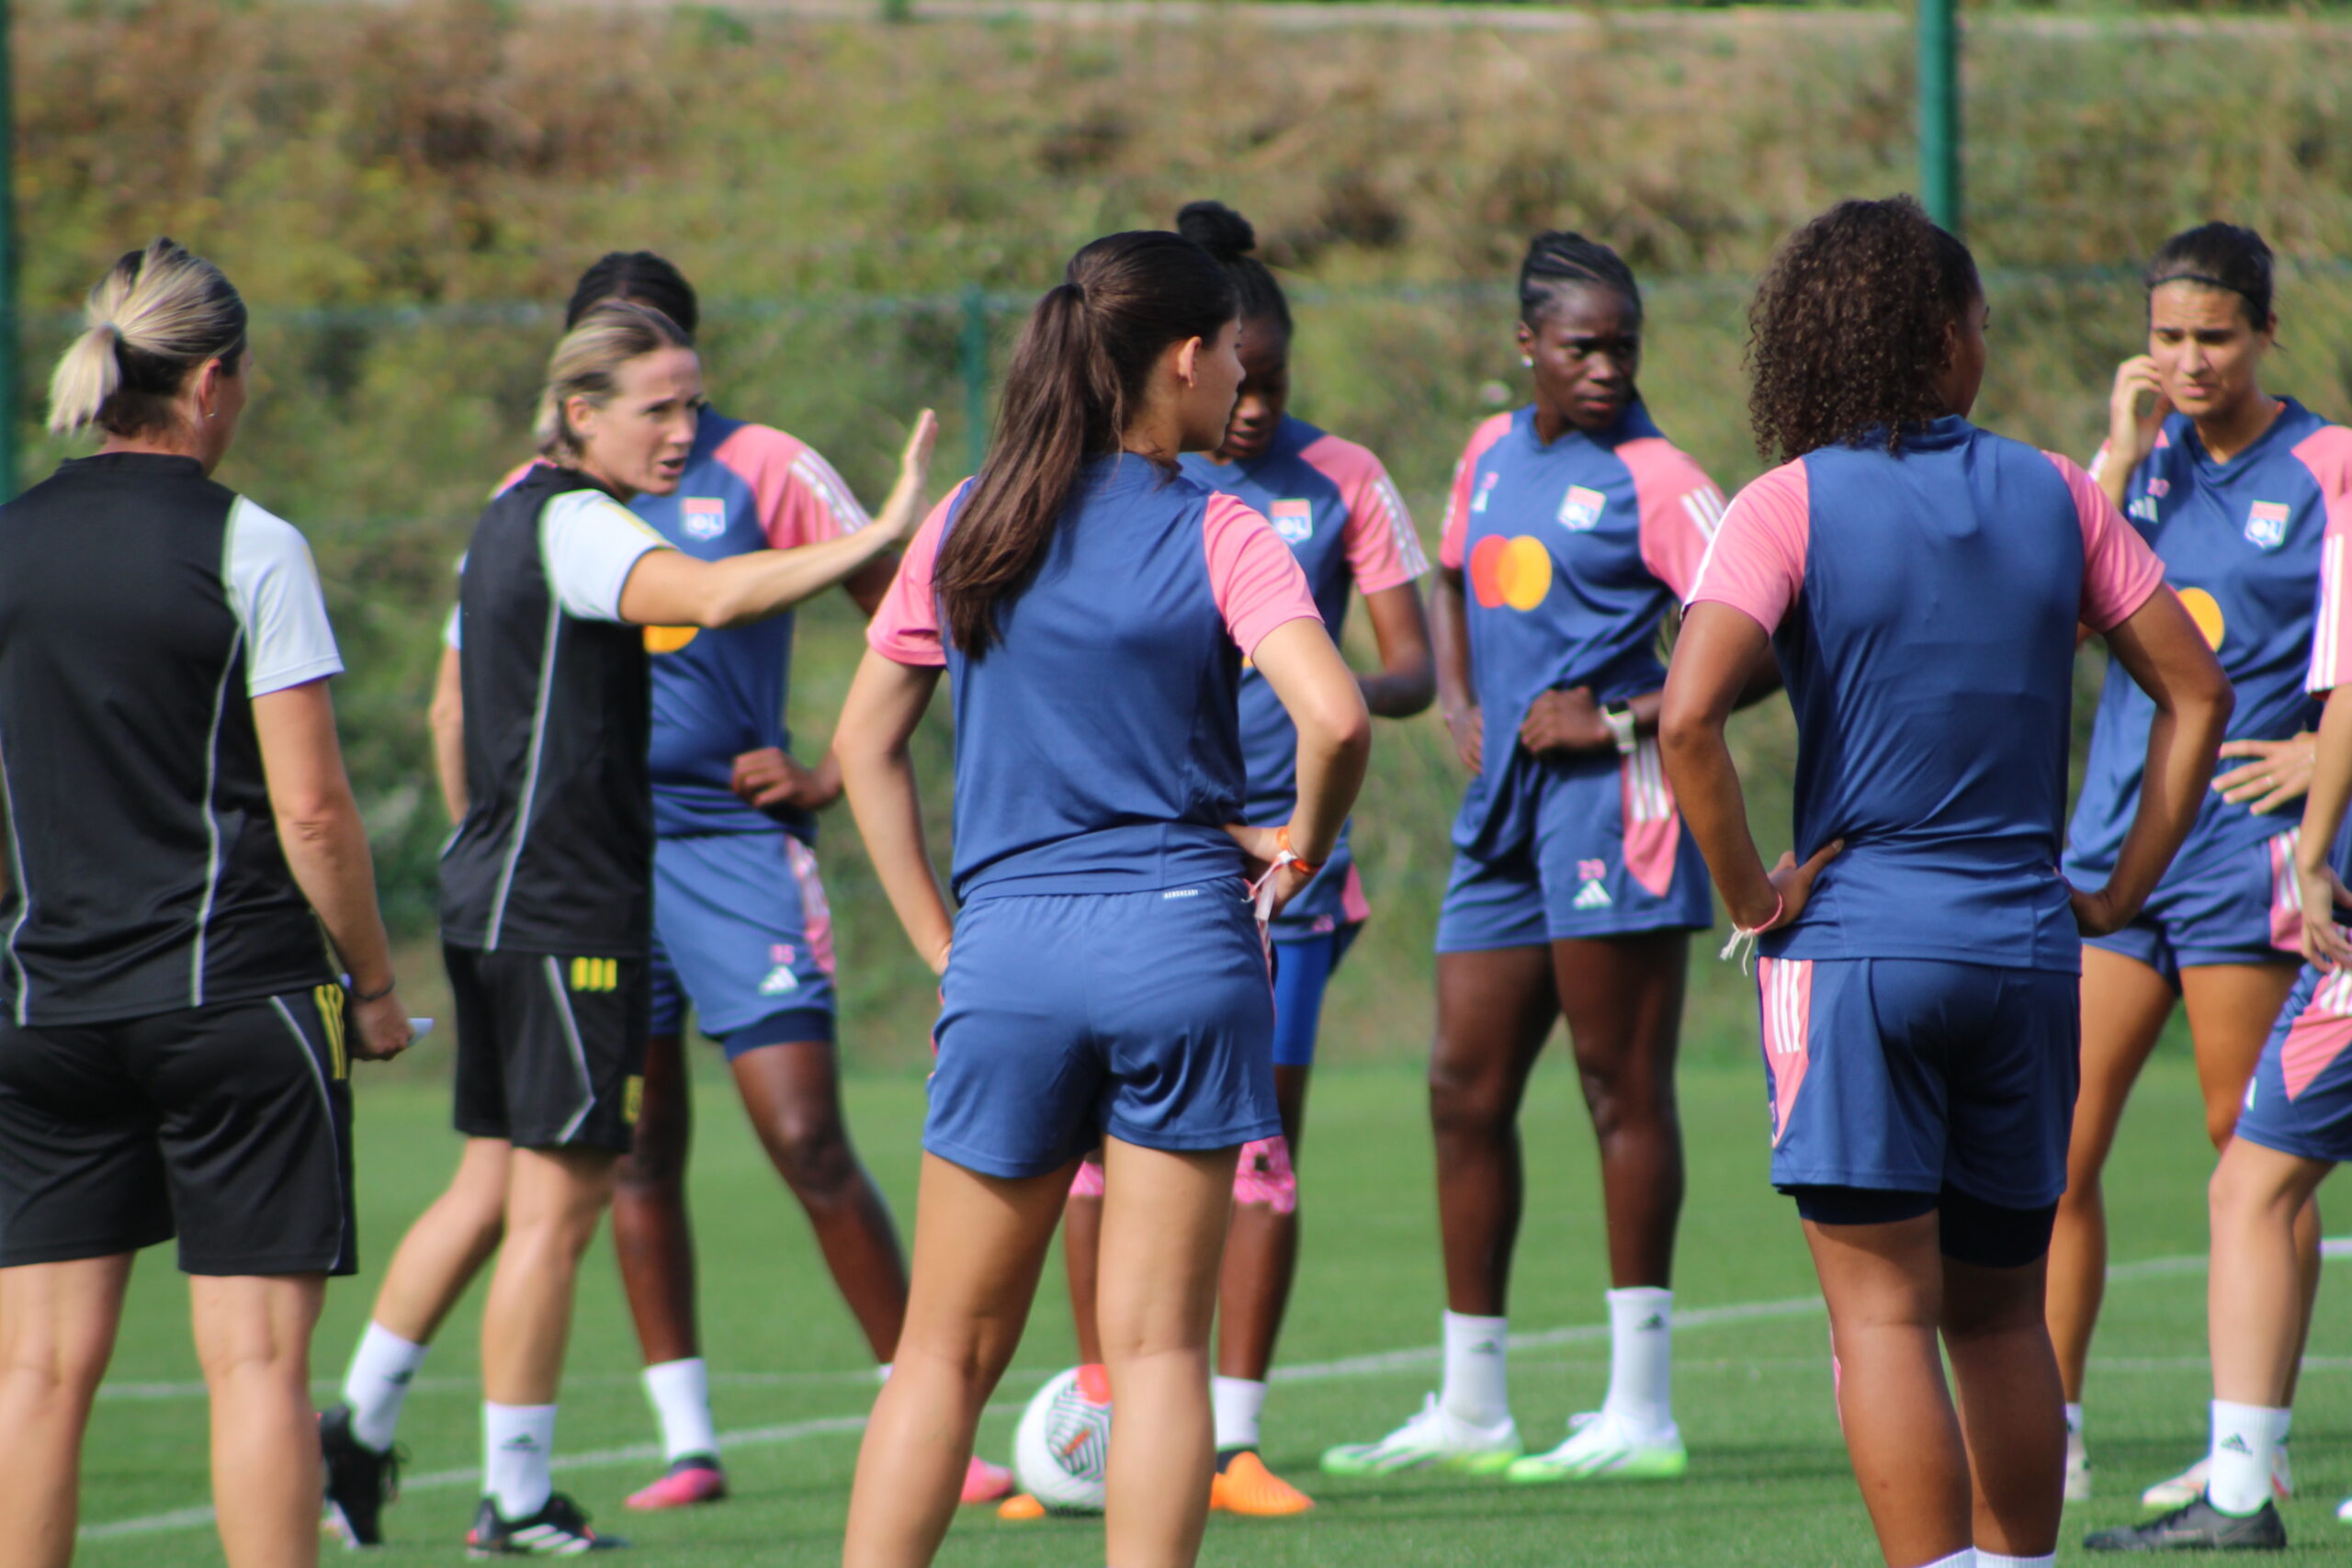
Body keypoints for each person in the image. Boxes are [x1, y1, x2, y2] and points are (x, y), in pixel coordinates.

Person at [331, 252, 1009, 1517]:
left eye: (693, 400)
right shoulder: (572, 518)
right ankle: (521, 1501)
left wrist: (822, 767)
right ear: (582, 406)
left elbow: (895, 631)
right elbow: (702, 594)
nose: (684, 428)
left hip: (549, 885)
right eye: (658, 404)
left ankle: (357, 1425)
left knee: (504, 1182)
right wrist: (881, 530)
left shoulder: (559, 500)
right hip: (570, 895)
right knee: (568, 1199)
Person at [1659, 196, 2231, 1568]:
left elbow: (1686, 723)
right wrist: (2114, 888)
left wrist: (1753, 902)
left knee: (1880, 1319)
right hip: (2029, 944)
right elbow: (2196, 695)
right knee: (2000, 1316)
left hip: (1858, 951)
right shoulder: (2056, 488)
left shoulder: (1784, 503)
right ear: (1941, 338)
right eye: (1978, 320)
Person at [832, 229, 1371, 1568]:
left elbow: (860, 746)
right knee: (1156, 1351)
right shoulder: (1221, 524)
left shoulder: (971, 516)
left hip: (1007, 960)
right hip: (1182, 948)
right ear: (1183, 360)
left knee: (940, 1358)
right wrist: (1296, 849)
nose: (1249, 375)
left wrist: (937, 941)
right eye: (1237, 349)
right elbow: (1339, 719)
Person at [0, 239, 414, 1568]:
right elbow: (312, 814)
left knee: (39, 1376)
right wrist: (380, 984)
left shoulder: (9, 546)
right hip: (236, 1006)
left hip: (46, 1010)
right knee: (254, 1369)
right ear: (215, 382)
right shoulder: (251, 541)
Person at [1032, 199, 1433, 1520]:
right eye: (1235, 377)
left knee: (1256, 1150)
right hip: (1150, 870)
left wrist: (1307, 697)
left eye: (1276, 380)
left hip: (1275, 876)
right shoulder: (1152, 493)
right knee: (1089, 1160)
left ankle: (1234, 1434)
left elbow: (1406, 673)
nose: (1253, 404)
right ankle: (1102, 1415)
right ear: (1189, 364)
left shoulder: (1337, 483)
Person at [1321, 231, 1734, 1484]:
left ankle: (1640, 1410)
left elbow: (1760, 634)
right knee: (1462, 1088)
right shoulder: (1489, 452)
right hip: (1502, 820)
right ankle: (1471, 1404)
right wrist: (1456, 698)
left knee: (1620, 1090)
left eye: (1624, 348)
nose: (1606, 368)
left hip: (1620, 810)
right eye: (1581, 347)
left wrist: (1621, 716)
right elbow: (1449, 575)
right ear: (1527, 348)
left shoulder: (1664, 480)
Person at [2050, 222, 2346, 1507]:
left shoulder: (2327, 464)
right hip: (2115, 853)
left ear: (2265, 335)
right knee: (2048, 1153)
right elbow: (2056, 614)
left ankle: (2254, 1444)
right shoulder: (2138, 466)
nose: (2186, 360)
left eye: (2213, 337)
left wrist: (2314, 772)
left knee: (2254, 1150)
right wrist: (2114, 456)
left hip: (2241, 859)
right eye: (2167, 336)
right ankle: (2044, 1429)